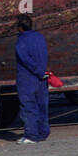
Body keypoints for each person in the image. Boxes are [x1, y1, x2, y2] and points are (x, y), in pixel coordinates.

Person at [15, 13, 50, 144]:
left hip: (27, 77)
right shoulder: (40, 37)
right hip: (42, 76)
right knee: (42, 105)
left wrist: (37, 70)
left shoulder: (22, 40)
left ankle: (31, 135)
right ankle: (43, 132)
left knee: (29, 106)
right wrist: (42, 71)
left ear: (20, 27)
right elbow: (44, 54)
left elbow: (25, 59)